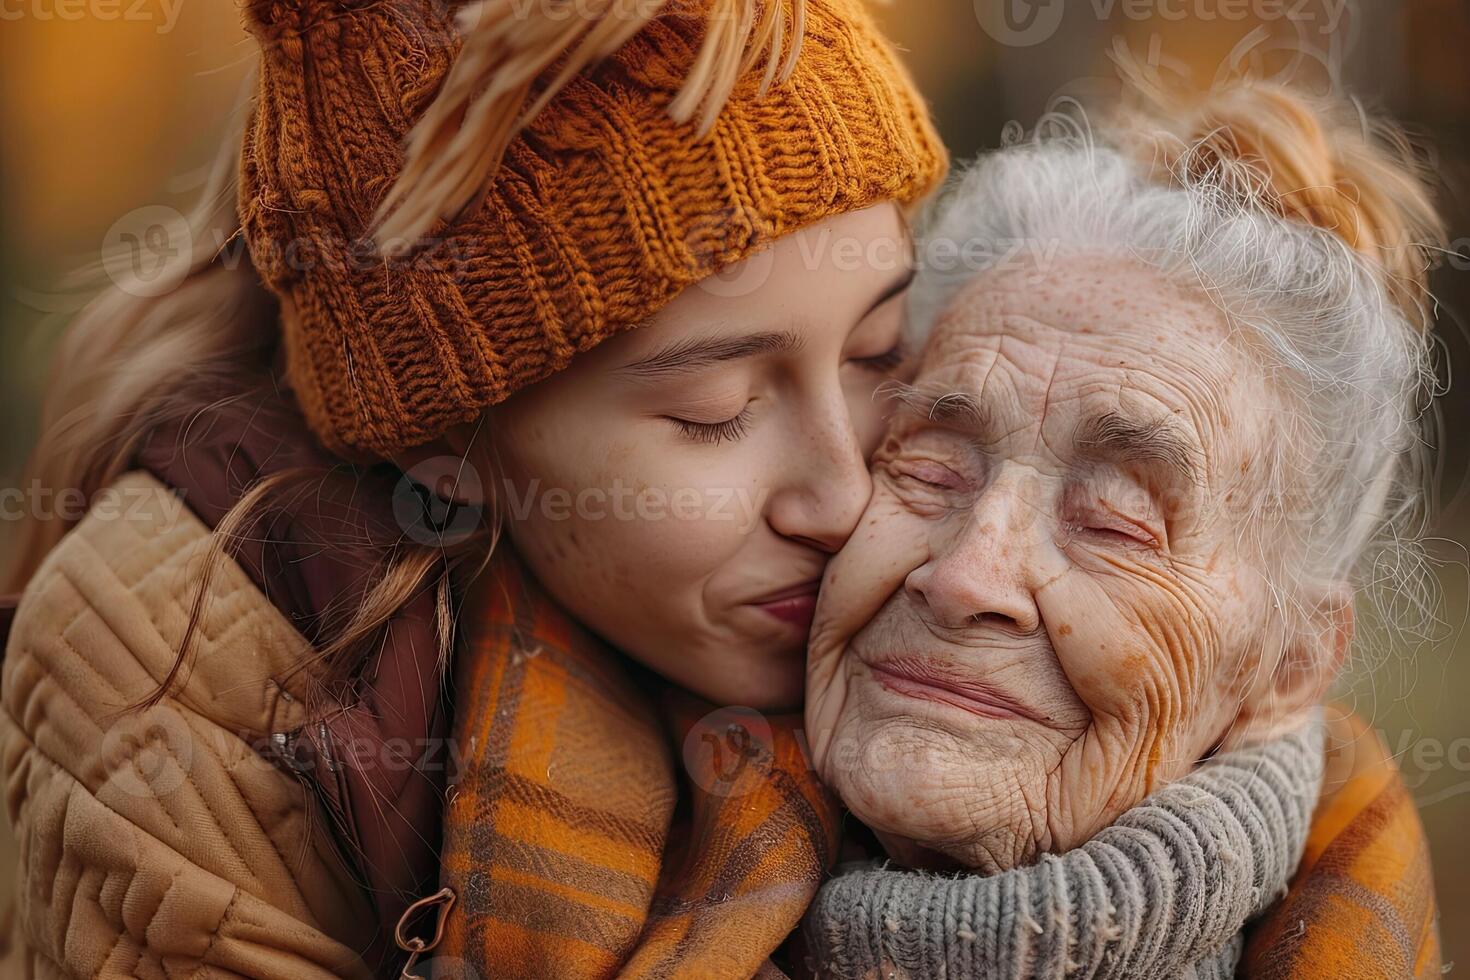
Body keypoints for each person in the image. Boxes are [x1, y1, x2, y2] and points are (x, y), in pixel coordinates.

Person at [0, 0, 944, 975]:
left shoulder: (993, 542)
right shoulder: (171, 677)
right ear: (443, 444)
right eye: (714, 409)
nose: (844, 497)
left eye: (878, 352)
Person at [800, 80, 1445, 978]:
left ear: (1286, 665)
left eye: (1117, 523)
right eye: (930, 469)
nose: (965, 578)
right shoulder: (597, 857)